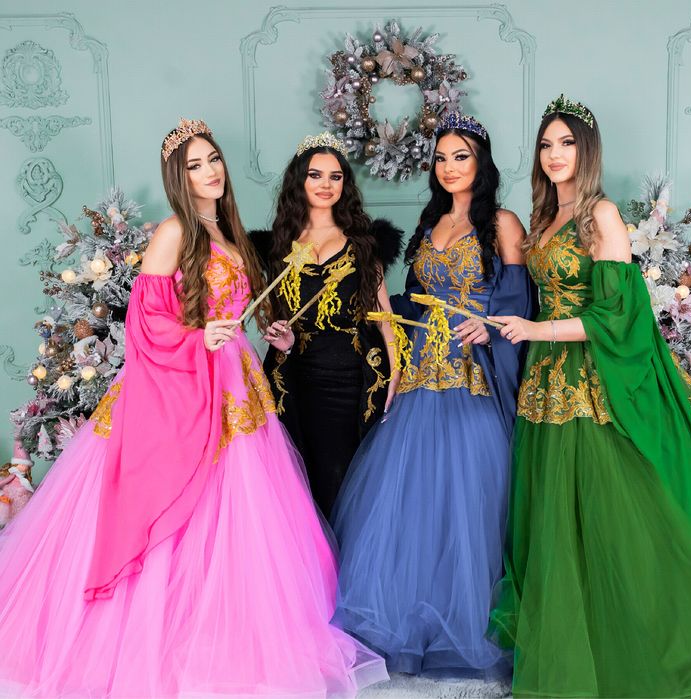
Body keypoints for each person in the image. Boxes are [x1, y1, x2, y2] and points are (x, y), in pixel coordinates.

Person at [0, 118, 387, 698]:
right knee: (181, 501)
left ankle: (224, 636)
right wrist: (198, 337)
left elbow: (234, 308)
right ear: (177, 178)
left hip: (236, 382)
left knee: (238, 515)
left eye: (214, 159)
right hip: (185, 381)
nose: (210, 171)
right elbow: (145, 322)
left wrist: (275, 336)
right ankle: (156, 636)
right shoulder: (175, 230)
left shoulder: (226, 229)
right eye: (194, 165)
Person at [488, 95, 691, 698]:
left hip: (595, 378)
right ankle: (584, 642)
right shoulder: (544, 216)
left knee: (621, 514)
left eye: (566, 143)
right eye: (546, 144)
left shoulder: (599, 215)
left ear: (587, 151)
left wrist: (536, 331)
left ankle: (651, 643)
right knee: (561, 517)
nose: (554, 154)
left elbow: (617, 316)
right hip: (547, 383)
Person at [331, 113, 532, 679]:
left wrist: (489, 326)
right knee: (413, 496)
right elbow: (417, 300)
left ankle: (469, 625)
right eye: (441, 158)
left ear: (481, 162)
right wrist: (378, 302)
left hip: (472, 373)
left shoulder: (503, 224)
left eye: (460, 156)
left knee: (472, 497)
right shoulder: (429, 224)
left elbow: (519, 302)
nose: (448, 167)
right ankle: (411, 621)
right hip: (422, 372)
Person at [251, 132, 403, 518]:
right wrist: (279, 335)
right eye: (315, 175)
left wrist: (397, 371)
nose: (326, 184)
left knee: (347, 477)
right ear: (299, 180)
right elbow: (274, 316)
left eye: (335, 177)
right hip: (296, 377)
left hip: (353, 378)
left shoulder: (363, 243)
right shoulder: (276, 247)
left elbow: (384, 317)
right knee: (302, 478)